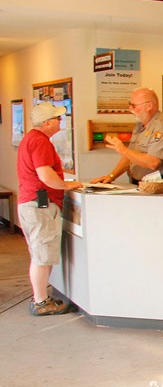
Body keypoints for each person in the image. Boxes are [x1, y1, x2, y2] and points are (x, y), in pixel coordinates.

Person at [17, 101, 83, 316]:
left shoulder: (30, 139)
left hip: (31, 203)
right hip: (40, 206)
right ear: (46, 123)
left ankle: (41, 298)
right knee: (42, 256)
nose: (60, 121)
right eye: (57, 118)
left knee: (40, 253)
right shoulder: (40, 142)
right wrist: (68, 185)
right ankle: (40, 302)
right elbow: (45, 174)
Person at [91, 87, 163, 193]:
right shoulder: (140, 125)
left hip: (160, 188)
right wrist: (111, 176)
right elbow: (130, 157)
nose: (130, 109)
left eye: (134, 105)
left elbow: (153, 163)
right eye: (129, 104)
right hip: (139, 185)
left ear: (149, 106)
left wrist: (123, 150)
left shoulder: (162, 127)